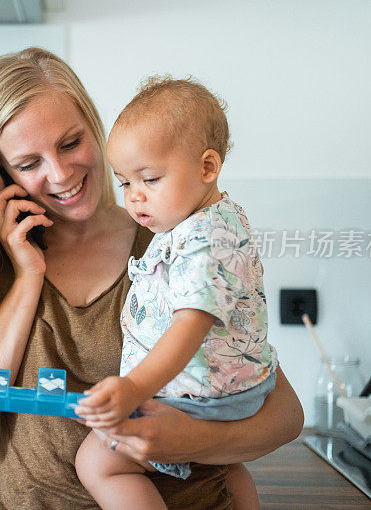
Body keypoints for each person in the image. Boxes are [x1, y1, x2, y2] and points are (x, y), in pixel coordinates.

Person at [0, 47, 303, 510]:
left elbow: (285, 415)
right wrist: (28, 279)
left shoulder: (168, 238)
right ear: (0, 175)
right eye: (29, 164)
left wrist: (190, 439)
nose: (61, 173)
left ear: (95, 127)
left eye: (70, 143)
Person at [74, 76, 277, 510]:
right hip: (230, 390)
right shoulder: (209, 220)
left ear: (208, 167)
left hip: (204, 397)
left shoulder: (204, 239)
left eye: (149, 178)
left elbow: (190, 326)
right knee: (224, 467)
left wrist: (133, 388)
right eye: (125, 183)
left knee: (98, 461)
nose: (135, 197)